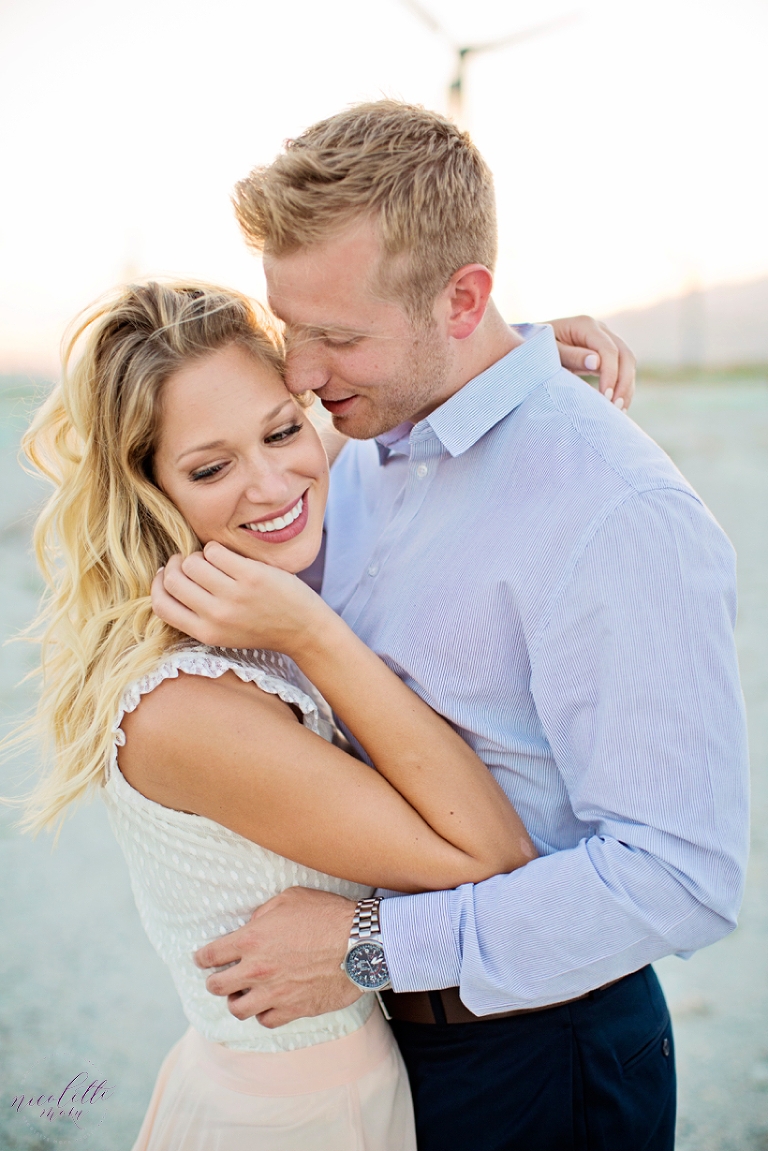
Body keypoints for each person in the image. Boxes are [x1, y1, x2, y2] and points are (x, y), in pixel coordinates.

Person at [153, 101, 750, 1151]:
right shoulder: (363, 436)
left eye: (338, 337)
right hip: (377, 1053)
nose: (302, 372)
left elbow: (681, 877)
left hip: (539, 1062)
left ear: (463, 298)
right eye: (295, 327)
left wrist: (373, 942)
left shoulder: (613, 509)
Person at [20, 279, 542, 1150]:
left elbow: (378, 412)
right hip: (296, 1118)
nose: (272, 482)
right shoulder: (188, 708)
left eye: (282, 428)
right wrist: (314, 632)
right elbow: (491, 851)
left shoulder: (247, 565)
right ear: (149, 490)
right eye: (210, 467)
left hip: (340, 1085)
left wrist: (534, 353)